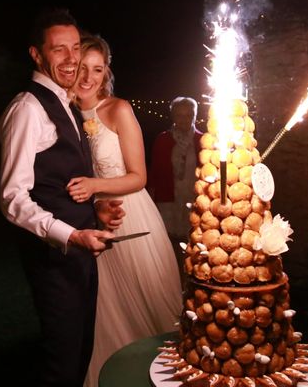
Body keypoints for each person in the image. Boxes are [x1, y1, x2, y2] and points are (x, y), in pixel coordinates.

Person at [0, 8, 125, 387]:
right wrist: (70, 234)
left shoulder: (66, 103)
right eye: (59, 50)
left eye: (75, 48)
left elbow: (57, 182)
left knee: (81, 354)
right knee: (62, 365)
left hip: (81, 254)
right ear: (37, 55)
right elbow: (13, 198)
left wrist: (96, 209)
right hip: (54, 259)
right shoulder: (27, 108)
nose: (71, 59)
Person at [66, 34, 182, 387]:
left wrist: (95, 186)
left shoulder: (119, 109)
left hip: (130, 215)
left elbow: (138, 177)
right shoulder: (65, 111)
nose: (88, 78)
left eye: (97, 70)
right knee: (104, 308)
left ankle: (169, 374)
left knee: (149, 303)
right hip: (91, 220)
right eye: (83, 68)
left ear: (106, 73)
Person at [147, 96, 203, 263]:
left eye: (188, 115)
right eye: (179, 115)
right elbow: (154, 170)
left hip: (194, 198)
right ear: (173, 116)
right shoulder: (162, 139)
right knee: (168, 242)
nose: (184, 119)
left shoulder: (203, 140)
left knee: (194, 238)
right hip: (168, 199)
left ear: (194, 116)